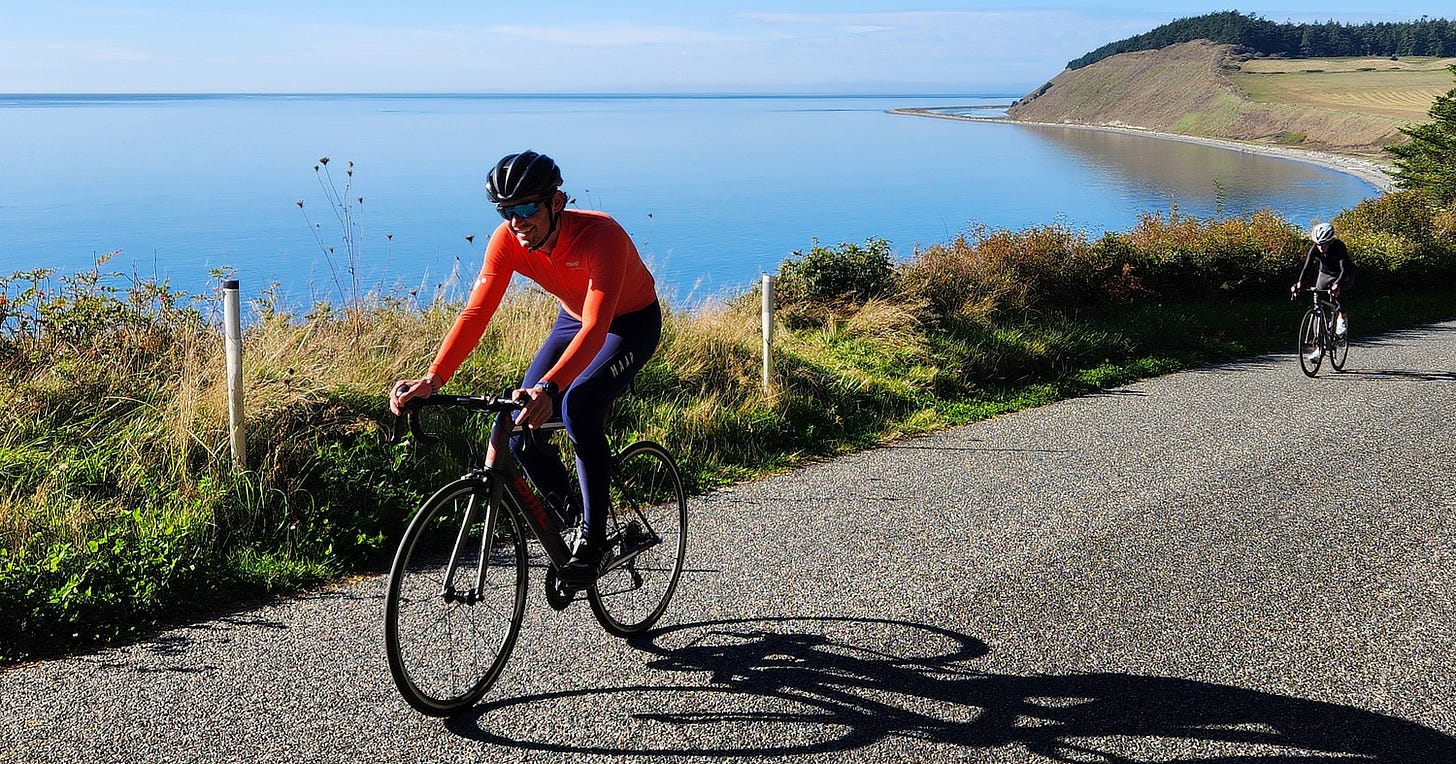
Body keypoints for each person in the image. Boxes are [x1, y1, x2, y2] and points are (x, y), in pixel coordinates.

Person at [389, 150, 661, 586]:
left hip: (628, 323)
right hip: (574, 318)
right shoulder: (507, 241)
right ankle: (573, 520)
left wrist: (551, 388)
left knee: (579, 405)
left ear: (556, 202)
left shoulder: (601, 236)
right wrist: (433, 378)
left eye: (527, 208)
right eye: (506, 210)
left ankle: (592, 543)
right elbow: (476, 313)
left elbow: (597, 328)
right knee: (519, 425)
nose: (516, 221)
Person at [1291, 221, 1352, 359]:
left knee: (1338, 292)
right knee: (1318, 307)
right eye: (1318, 244)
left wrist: (1337, 284)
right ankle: (1319, 348)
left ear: (1330, 241)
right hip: (1325, 274)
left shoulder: (1339, 247)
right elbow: (1307, 267)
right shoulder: (1315, 248)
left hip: (1343, 274)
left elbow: (1344, 269)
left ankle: (1342, 316)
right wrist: (1299, 283)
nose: (1320, 247)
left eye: (1323, 244)